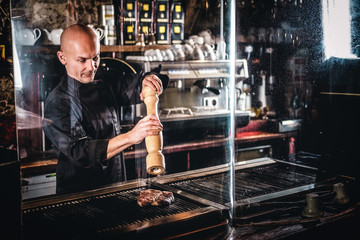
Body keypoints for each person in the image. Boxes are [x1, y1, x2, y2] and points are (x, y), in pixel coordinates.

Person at [43, 24, 168, 194]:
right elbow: (80, 152)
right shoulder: (58, 102)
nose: (92, 67)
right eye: (83, 60)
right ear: (62, 57)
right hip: (79, 198)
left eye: (95, 58)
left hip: (116, 187)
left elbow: (138, 83)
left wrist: (150, 80)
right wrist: (131, 136)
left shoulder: (105, 83)